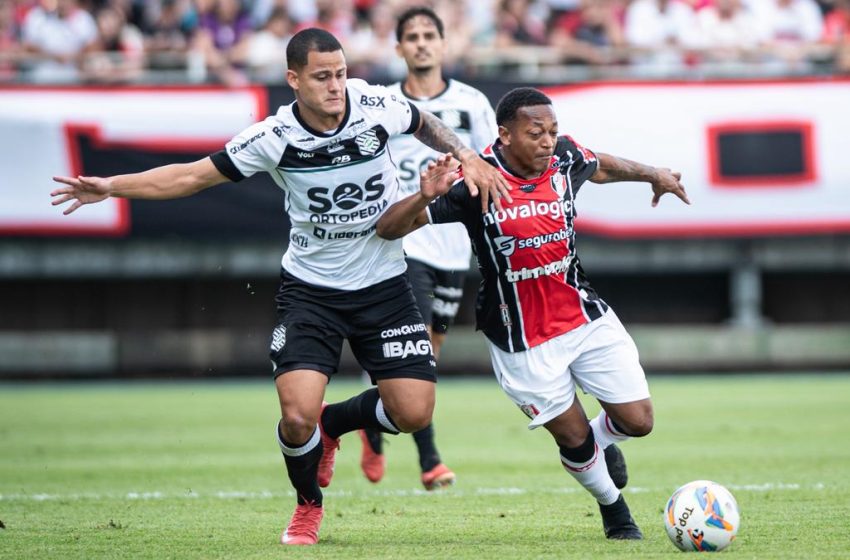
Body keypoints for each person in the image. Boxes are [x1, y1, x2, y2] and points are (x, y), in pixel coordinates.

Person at [50, 28, 510, 546]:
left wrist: (467, 156)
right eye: (322, 77)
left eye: (340, 73)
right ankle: (308, 506)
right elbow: (190, 177)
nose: (336, 86)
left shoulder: (374, 103)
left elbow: (424, 122)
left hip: (383, 284)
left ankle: (334, 424)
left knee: (413, 412)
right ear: (293, 80)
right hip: (311, 291)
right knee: (295, 418)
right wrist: (112, 186)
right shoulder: (273, 137)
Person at [376, 87, 690, 540]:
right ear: (504, 135)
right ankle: (614, 510)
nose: (547, 141)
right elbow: (388, 229)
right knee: (573, 438)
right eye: (535, 133)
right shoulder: (474, 181)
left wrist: (652, 173)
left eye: (553, 132)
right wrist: (424, 197)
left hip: (583, 316)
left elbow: (600, 165)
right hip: (520, 336)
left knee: (638, 421)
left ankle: (601, 443)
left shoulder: (563, 158)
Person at [357, 6, 498, 492]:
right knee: (416, 348)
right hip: (404, 244)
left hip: (454, 249)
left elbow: (490, 168)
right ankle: (431, 461)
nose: (420, 43)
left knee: (427, 353)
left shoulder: (472, 103)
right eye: (410, 36)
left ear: (443, 44)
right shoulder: (381, 106)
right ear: (397, 48)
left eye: (427, 35)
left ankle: (372, 424)